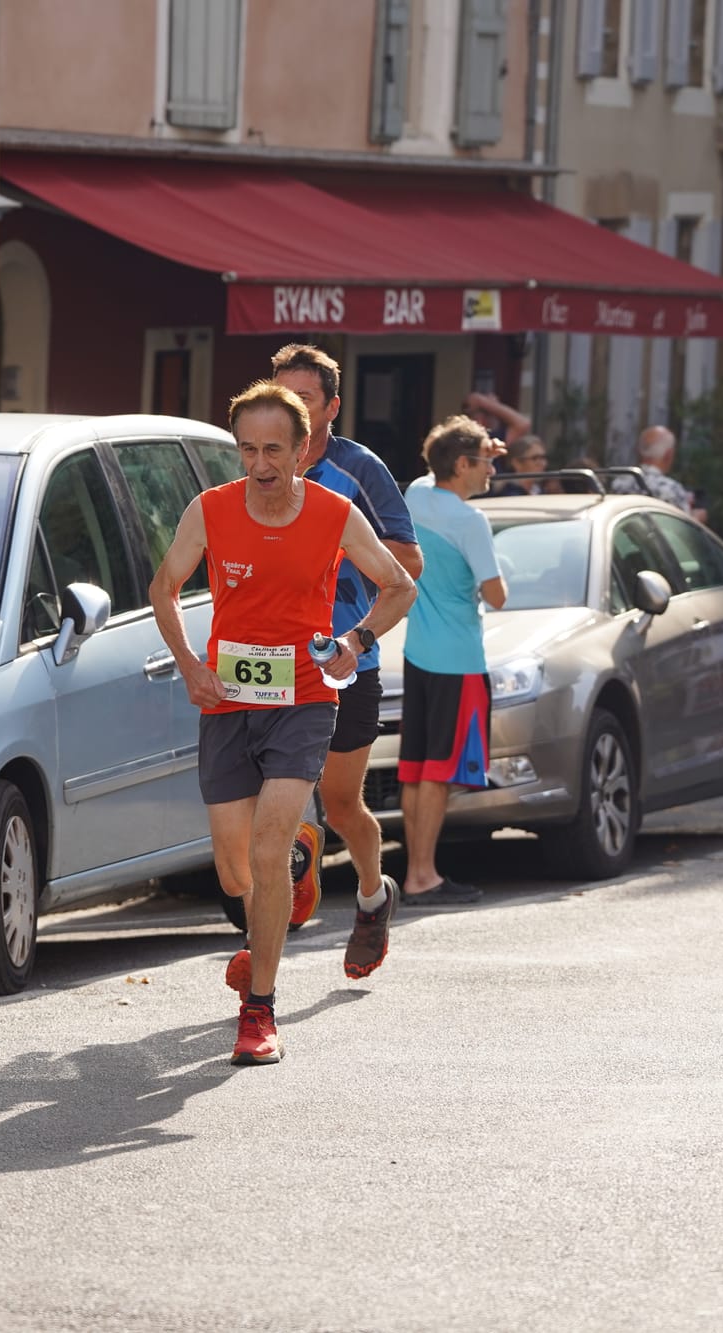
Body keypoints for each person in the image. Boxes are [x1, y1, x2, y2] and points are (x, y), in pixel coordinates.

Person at [148, 381, 416, 1064]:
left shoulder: (333, 512)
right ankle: (288, 871)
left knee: (265, 856)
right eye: (246, 449)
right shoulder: (209, 510)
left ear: (303, 451)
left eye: (273, 450)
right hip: (227, 702)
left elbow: (399, 585)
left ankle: (259, 1009)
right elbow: (164, 587)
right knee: (237, 870)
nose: (259, 464)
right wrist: (188, 664)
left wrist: (353, 642)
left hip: (302, 698)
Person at [269, 343, 425, 981]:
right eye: (280, 395)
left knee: (339, 804)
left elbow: (408, 564)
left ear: (331, 407)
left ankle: (370, 895)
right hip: (269, 658)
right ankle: (273, 927)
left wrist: (334, 550)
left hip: (343, 660)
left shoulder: (358, 468)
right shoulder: (255, 463)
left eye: (302, 398)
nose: (288, 409)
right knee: (267, 800)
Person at [398, 417, 507, 906]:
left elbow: (434, 470)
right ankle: (425, 875)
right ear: (462, 465)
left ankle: (415, 873)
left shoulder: (416, 496)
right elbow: (497, 596)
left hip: (417, 653)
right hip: (458, 659)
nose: (492, 471)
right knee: (439, 772)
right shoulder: (471, 521)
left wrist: (482, 448)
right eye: (485, 462)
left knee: (415, 768)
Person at [626, 425, 706, 521]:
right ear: (669, 454)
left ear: (639, 450)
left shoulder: (619, 482)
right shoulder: (671, 490)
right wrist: (696, 518)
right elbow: (681, 530)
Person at [462, 389, 531, 446]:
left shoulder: (496, 438)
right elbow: (523, 424)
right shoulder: (472, 441)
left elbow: (523, 424)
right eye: (493, 408)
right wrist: (482, 401)